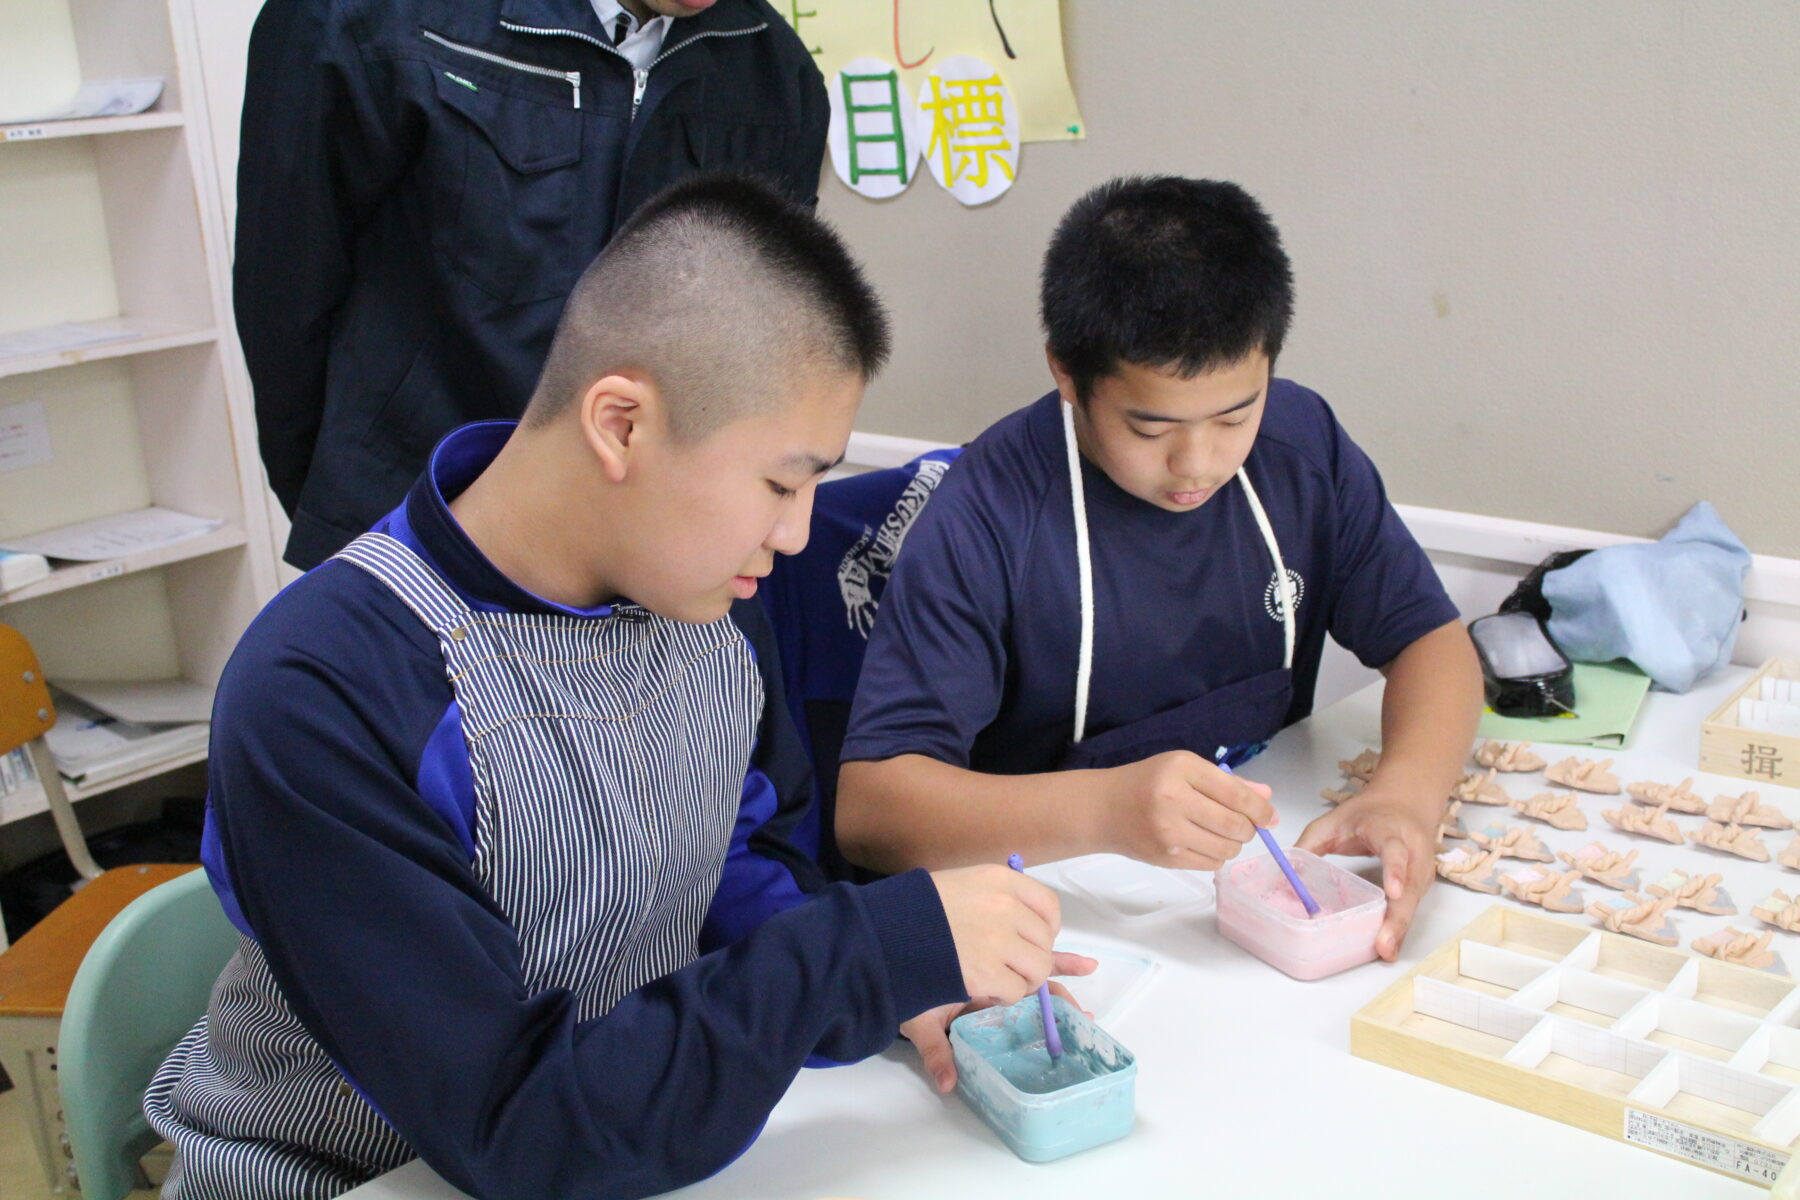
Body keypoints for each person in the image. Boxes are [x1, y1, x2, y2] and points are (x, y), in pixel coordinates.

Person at [145, 176, 1086, 1200]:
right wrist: (864, 949)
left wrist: (897, 985)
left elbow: (732, 866)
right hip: (364, 1174)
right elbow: (511, 1127)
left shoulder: (709, 611)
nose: (799, 533)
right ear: (622, 424)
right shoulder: (325, 690)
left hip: (621, 1126)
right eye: (780, 482)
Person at [837, 175, 1483, 1010]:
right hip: (1067, 940)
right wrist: (1108, 808)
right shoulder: (987, 519)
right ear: (1067, 374)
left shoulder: (1300, 446)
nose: (1199, 464)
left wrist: (1406, 795)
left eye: (1232, 417)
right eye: (1151, 427)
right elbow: (872, 812)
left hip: (1249, 915)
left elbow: (1433, 641)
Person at [236, 0, 829, 569]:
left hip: (646, 562)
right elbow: (285, 295)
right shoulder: (361, 16)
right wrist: (339, 512)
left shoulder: (776, 73)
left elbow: (754, 343)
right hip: (411, 521)